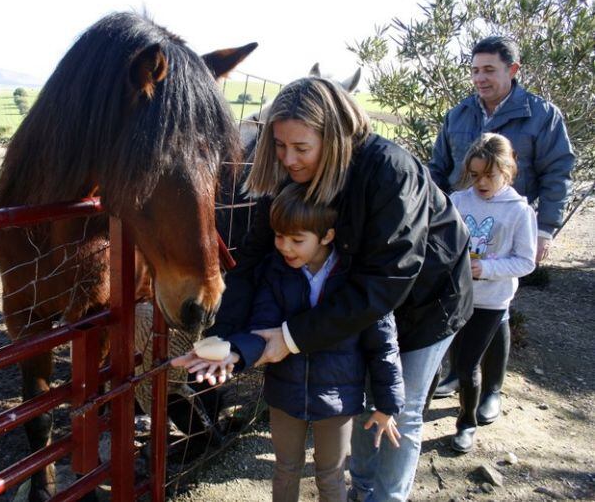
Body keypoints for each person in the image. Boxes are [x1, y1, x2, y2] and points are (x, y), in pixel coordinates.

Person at [175, 77, 473, 502]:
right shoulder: (291, 173)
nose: (288, 159)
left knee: (398, 408)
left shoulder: (391, 171)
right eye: (279, 146)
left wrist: (291, 338)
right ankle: (363, 488)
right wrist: (228, 339)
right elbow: (255, 258)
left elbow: (385, 281)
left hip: (428, 299)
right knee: (368, 401)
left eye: (301, 148)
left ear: (333, 137)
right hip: (361, 298)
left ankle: (387, 497)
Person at [184, 182, 405, 502]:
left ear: (327, 236)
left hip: (338, 398)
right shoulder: (276, 271)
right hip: (285, 392)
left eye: (296, 240)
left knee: (330, 475)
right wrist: (234, 353)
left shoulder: (356, 280)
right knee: (286, 469)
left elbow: (383, 344)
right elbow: (262, 327)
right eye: (278, 236)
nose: (285, 247)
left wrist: (387, 404)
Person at [429, 36, 575, 423]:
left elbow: (557, 174)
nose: (480, 78)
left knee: (498, 309)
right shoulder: (458, 115)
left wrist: (545, 229)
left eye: (489, 70)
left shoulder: (543, 116)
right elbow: (439, 168)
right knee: (460, 305)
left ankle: (491, 388)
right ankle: (461, 374)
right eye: (475, 70)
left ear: (512, 70)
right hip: (461, 229)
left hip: (509, 231)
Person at [448, 133, 537, 451]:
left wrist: (486, 269)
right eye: (474, 175)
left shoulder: (518, 211)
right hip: (459, 298)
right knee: (457, 358)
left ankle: (466, 423)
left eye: (489, 175)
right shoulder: (459, 201)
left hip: (492, 300)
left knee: (468, 363)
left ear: (507, 170)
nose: (480, 182)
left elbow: (526, 261)